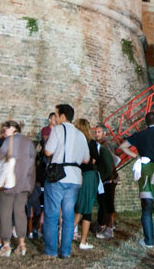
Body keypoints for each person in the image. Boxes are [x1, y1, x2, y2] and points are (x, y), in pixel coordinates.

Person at [42, 104, 89, 259]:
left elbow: (48, 151)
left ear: (62, 116)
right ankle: (65, 251)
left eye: (56, 115)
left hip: (58, 176)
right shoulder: (81, 135)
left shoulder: (57, 130)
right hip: (75, 177)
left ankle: (51, 251)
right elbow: (86, 159)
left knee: (52, 214)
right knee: (68, 216)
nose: (54, 118)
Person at [119, 112, 154, 249]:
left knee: (146, 207)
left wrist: (136, 156)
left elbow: (122, 146)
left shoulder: (140, 135)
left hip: (145, 171)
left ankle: (149, 240)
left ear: (146, 122)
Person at [0, 120, 36, 257]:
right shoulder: (29, 143)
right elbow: (32, 165)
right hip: (24, 183)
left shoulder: (8, 141)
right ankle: (22, 244)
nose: (3, 133)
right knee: (20, 212)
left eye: (4, 130)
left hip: (8, 184)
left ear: (12, 129)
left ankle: (6, 245)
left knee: (5, 212)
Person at [72, 118, 99, 250]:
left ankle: (71, 235)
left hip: (76, 174)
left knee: (80, 207)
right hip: (88, 176)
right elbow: (94, 159)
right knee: (85, 208)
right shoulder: (90, 143)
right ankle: (79, 239)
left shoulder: (73, 142)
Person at [94, 125, 118, 240]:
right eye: (96, 132)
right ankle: (102, 224)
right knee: (103, 203)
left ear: (104, 133)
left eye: (99, 132)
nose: (96, 134)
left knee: (108, 204)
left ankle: (109, 229)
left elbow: (111, 162)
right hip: (103, 179)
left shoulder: (107, 145)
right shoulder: (97, 145)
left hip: (109, 178)